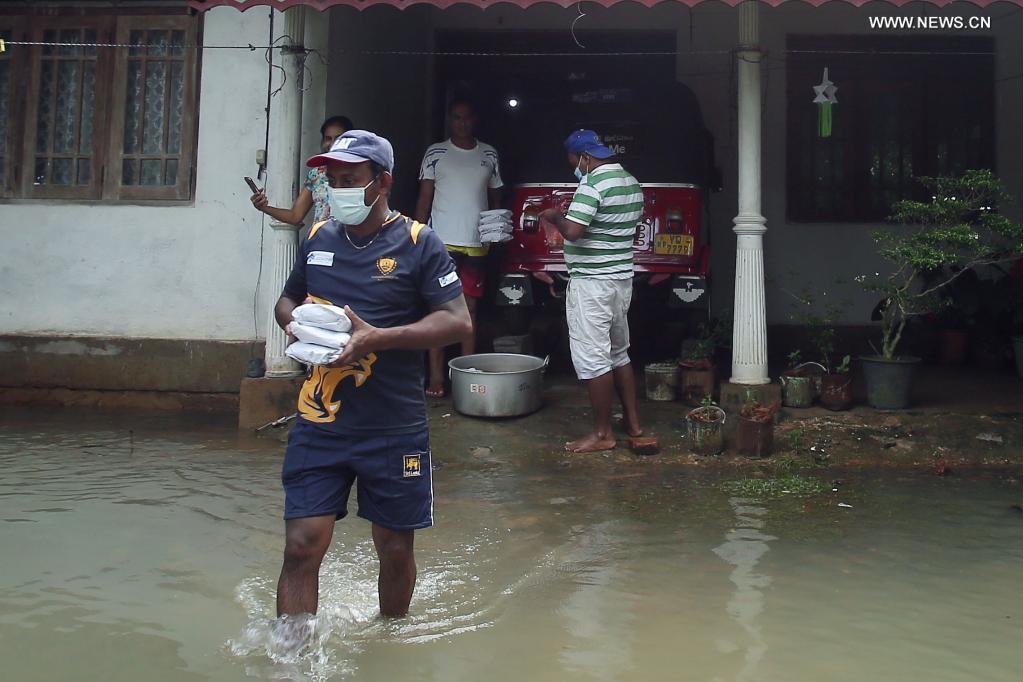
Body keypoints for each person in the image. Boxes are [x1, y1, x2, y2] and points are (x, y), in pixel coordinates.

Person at [272, 130, 472, 628]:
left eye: (350, 180)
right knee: (301, 546)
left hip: (393, 426)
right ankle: (291, 659)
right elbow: (287, 298)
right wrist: (294, 323)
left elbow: (457, 321)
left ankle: (391, 638)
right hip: (320, 421)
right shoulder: (317, 237)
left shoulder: (418, 242)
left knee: (394, 547)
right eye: (332, 179)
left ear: (381, 182)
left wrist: (375, 338)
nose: (338, 188)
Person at [540, 130, 644, 453]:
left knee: (593, 359)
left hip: (593, 285)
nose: (574, 168)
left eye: (573, 161)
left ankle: (602, 435)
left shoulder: (593, 183)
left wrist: (555, 215)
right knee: (618, 353)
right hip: (620, 282)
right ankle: (633, 423)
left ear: (583, 157)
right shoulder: (630, 182)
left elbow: (573, 232)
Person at [415, 99, 504, 397]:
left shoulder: (489, 154)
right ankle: (437, 378)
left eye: (467, 117)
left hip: (476, 243)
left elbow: (495, 200)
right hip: (441, 243)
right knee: (439, 309)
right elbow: (424, 199)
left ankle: (466, 374)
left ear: (475, 119)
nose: (462, 123)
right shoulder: (436, 153)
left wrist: (494, 234)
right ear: (449, 120)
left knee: (470, 310)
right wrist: (415, 237)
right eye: (457, 117)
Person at [251, 115, 354, 225]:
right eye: (328, 138)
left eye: (338, 138)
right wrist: (263, 208)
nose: (332, 143)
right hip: (321, 240)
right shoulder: (317, 174)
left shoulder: (358, 171)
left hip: (351, 240)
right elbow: (295, 216)